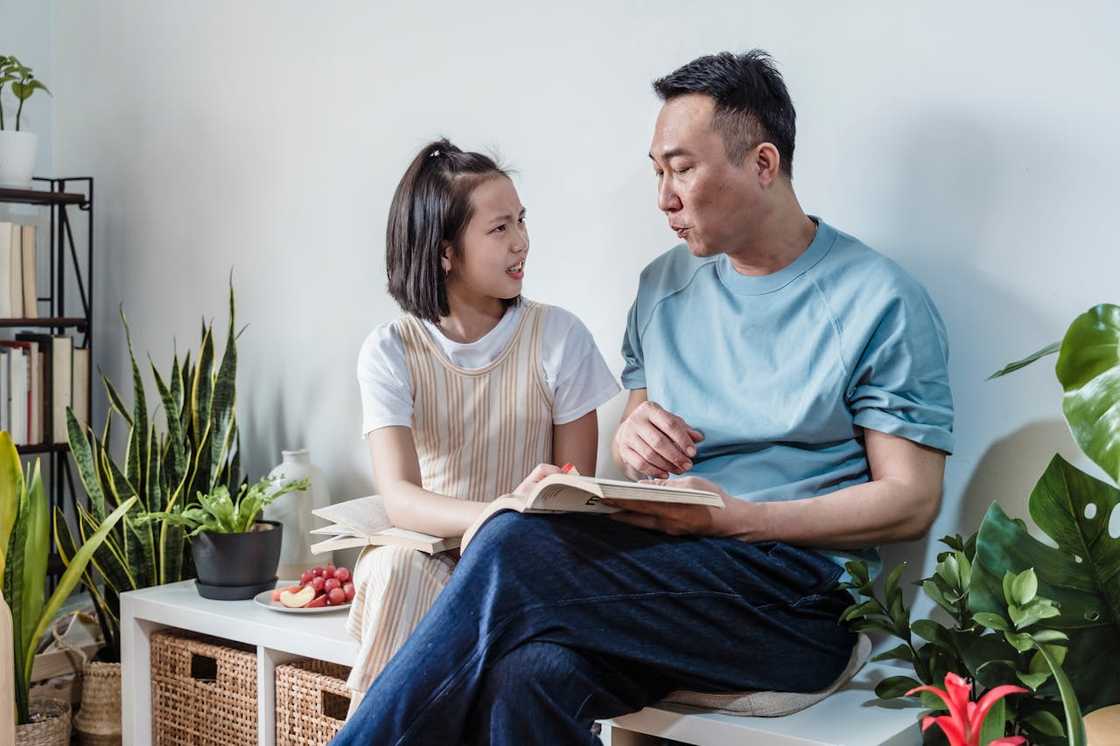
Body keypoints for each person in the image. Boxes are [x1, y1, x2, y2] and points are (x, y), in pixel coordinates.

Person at [333, 50, 953, 746]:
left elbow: (912, 499)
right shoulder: (662, 288)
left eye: (681, 169)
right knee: (530, 674)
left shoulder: (880, 298)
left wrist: (742, 518)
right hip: (667, 573)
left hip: (799, 600)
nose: (663, 196)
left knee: (511, 542)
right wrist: (632, 436)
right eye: (658, 171)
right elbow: (642, 426)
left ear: (763, 165)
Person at [344, 138, 620, 713]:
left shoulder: (559, 336)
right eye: (499, 229)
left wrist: (508, 532)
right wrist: (495, 515)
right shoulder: (391, 349)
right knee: (397, 570)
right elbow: (399, 497)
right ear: (446, 252)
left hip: (523, 558)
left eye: (521, 221)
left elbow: (574, 495)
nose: (522, 241)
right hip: (429, 552)